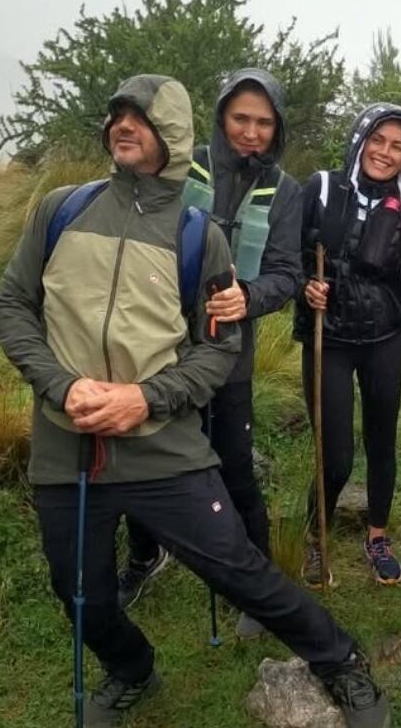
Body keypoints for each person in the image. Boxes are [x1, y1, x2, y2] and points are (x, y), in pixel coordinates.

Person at [0, 75, 389, 728]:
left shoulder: (198, 235)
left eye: (140, 118)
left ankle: (339, 658)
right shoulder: (61, 209)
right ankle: (131, 667)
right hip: (67, 441)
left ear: (169, 134)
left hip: (161, 442)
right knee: (77, 588)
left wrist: (144, 399)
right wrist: (63, 386)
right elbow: (12, 304)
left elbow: (218, 348)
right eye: (118, 113)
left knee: (237, 566)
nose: (124, 124)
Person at [117, 69, 303, 639]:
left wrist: (250, 296)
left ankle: (258, 581)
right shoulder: (182, 165)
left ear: (277, 129)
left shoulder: (286, 191)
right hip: (158, 347)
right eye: (241, 118)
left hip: (229, 356)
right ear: (222, 117)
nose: (251, 132)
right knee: (143, 461)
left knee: (235, 469)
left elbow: (288, 272)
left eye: (264, 122)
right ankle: (146, 556)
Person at [295, 103, 401, 587]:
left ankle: (377, 537)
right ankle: (316, 538)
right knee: (337, 454)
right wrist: (305, 286)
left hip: (384, 336)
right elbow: (286, 258)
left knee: (382, 441)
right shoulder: (323, 188)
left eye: (398, 146)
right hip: (328, 337)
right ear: (360, 140)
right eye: (378, 140)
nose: (385, 153)